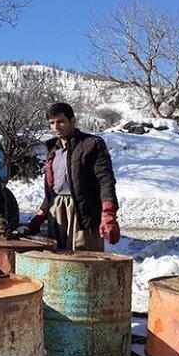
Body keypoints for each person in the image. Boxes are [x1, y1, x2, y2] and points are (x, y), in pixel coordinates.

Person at [23, 102, 120, 251]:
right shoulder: (53, 151)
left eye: (61, 121)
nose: (56, 127)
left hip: (83, 210)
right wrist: (40, 215)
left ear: (72, 121)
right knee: (58, 256)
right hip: (57, 209)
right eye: (52, 123)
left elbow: (105, 180)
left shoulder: (92, 144)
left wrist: (108, 214)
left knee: (85, 257)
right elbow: (53, 188)